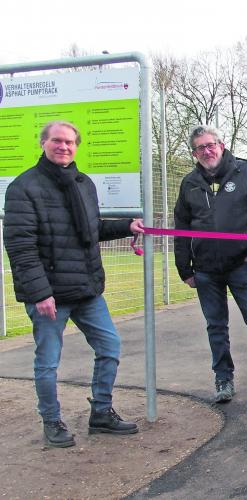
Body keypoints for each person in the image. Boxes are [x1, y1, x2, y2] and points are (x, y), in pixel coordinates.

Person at [4, 121, 142, 448]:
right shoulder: (24, 188)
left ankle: (101, 412)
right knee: (48, 362)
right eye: (57, 141)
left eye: (70, 142)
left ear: (76, 146)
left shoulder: (83, 183)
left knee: (110, 347)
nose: (64, 146)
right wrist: (40, 293)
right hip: (50, 295)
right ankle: (51, 421)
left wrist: (127, 225)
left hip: (86, 289)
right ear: (43, 143)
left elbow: (90, 229)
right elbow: (21, 246)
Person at [174, 125, 247, 404]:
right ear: (194, 153)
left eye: (211, 145)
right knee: (216, 326)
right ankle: (223, 378)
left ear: (221, 145)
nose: (207, 151)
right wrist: (185, 269)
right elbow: (181, 226)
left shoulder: (244, 172)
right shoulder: (190, 182)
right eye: (201, 148)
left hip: (241, 265)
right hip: (205, 270)